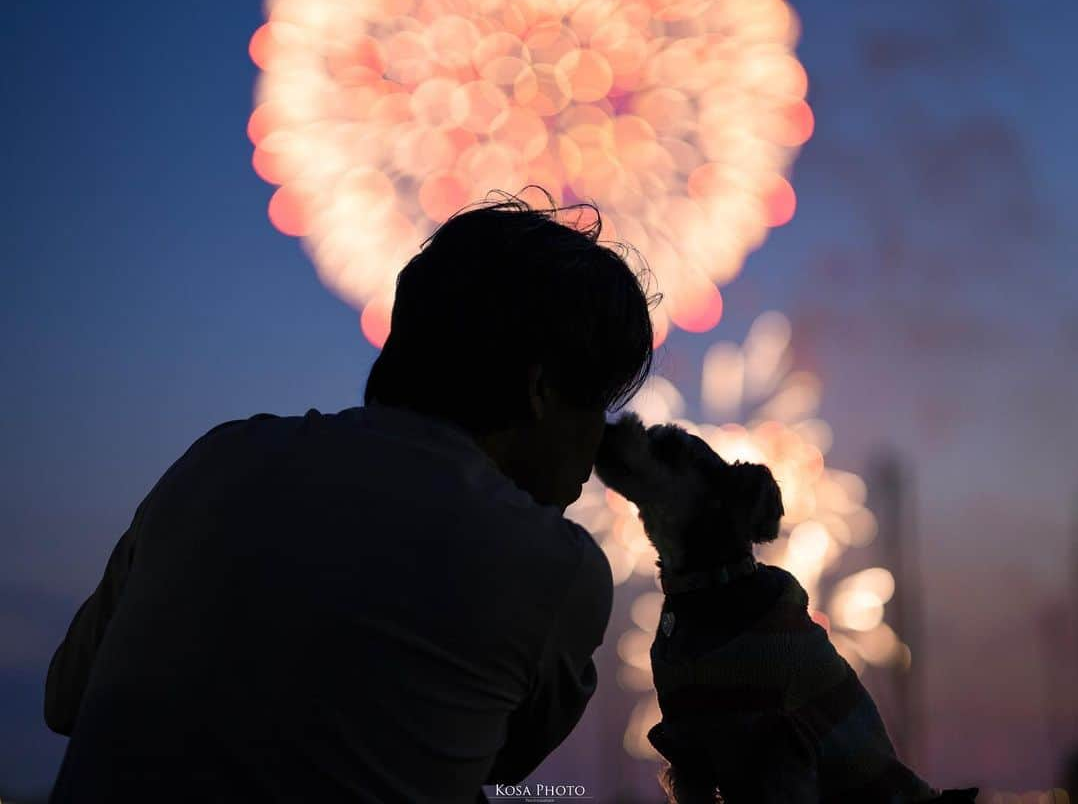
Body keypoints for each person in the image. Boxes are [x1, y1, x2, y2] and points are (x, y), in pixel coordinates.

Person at [43, 187, 661, 803]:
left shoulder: (220, 458)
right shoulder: (554, 568)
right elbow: (497, 763)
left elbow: (66, 698)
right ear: (542, 391)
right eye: (596, 407)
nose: (598, 447)